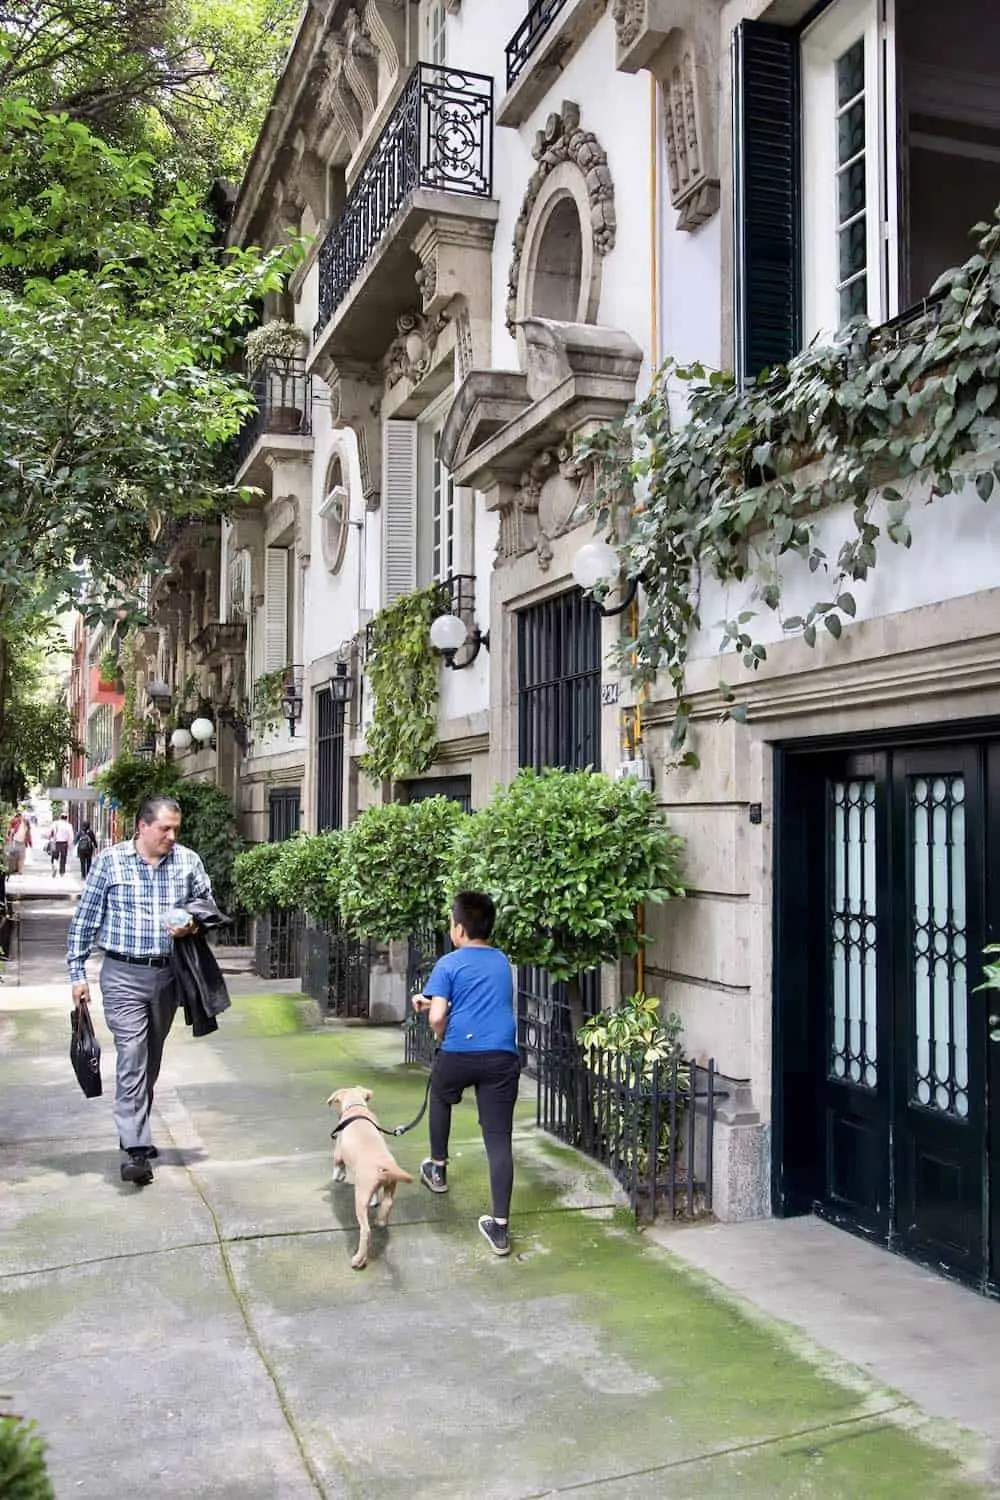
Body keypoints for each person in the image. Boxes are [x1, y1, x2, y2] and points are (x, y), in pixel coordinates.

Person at [66, 794, 212, 1185]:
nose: (171, 835)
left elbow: (207, 905)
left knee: (151, 1057)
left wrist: (192, 925)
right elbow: (83, 921)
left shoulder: (188, 862)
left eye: (176, 828)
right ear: (142, 826)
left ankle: (134, 1124)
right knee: (132, 1053)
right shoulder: (110, 862)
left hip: (168, 976)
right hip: (122, 975)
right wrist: (76, 975)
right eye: (165, 828)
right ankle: (135, 1149)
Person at [412, 891, 520, 1257]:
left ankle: (437, 1169)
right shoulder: (502, 961)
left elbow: (437, 1017)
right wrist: (439, 1003)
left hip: (459, 1053)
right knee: (499, 1138)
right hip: (502, 1057)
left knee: (441, 1095)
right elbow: (479, 998)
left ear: (458, 928)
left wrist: (439, 1032)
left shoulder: (448, 963)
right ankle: (500, 1228)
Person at [5, 810, 32, 875]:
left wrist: (30, 842)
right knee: (14, 856)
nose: (19, 818)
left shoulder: (25, 823)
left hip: (22, 842)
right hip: (15, 841)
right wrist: (8, 838)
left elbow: (28, 834)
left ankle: (20, 870)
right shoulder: (14, 822)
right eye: (18, 816)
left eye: (20, 816)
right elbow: (9, 830)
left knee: (21, 857)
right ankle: (14, 869)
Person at [50, 811, 74, 877]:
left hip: (56, 842)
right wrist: (70, 844)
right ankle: (62, 872)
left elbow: (50, 832)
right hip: (64, 843)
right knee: (63, 857)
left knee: (55, 856)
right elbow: (71, 836)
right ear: (66, 818)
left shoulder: (55, 823)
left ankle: (54, 865)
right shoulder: (68, 825)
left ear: (60, 817)